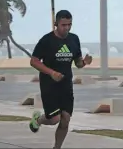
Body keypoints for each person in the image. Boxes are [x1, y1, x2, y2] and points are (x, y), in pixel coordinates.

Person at [29, 10, 92, 149]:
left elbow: (78, 63)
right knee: (54, 119)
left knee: (65, 120)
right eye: (64, 25)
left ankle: (57, 147)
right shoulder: (46, 40)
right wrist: (51, 73)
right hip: (49, 85)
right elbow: (34, 61)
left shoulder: (74, 39)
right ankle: (38, 119)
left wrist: (85, 62)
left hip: (66, 86)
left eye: (70, 24)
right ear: (56, 24)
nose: (67, 28)